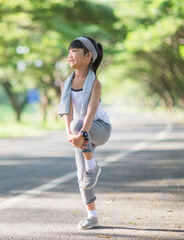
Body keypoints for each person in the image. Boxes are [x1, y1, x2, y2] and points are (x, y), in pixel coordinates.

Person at [58, 36, 111, 229]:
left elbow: (90, 112)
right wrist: (71, 136)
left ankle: (92, 166)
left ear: (88, 56)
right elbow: (67, 112)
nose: (70, 55)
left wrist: (80, 134)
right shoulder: (65, 84)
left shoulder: (95, 83)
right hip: (80, 131)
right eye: (69, 51)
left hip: (100, 128)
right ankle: (92, 216)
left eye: (75, 51)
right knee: (82, 178)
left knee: (78, 124)